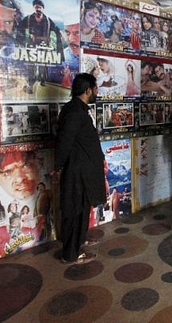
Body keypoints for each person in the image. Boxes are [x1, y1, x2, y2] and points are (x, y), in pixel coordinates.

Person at [53, 73, 107, 264]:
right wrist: (57, 166)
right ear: (88, 90)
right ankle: (71, 254)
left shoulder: (77, 109)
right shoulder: (75, 112)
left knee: (81, 210)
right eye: (96, 88)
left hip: (83, 170)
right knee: (75, 212)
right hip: (78, 172)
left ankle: (78, 242)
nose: (97, 92)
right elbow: (65, 142)